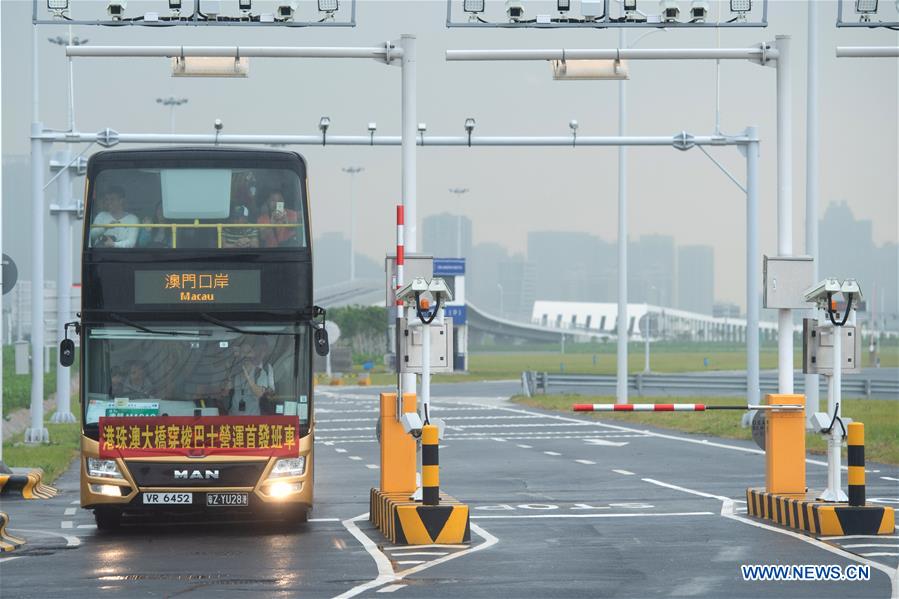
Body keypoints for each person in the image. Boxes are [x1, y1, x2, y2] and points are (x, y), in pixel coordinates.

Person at [225, 342, 275, 415]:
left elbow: (259, 393)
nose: (245, 355)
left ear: (254, 354)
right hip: (233, 419)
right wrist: (228, 372)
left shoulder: (260, 372)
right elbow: (225, 393)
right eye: (243, 352)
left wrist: (247, 376)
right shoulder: (234, 372)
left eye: (248, 352)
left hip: (253, 420)